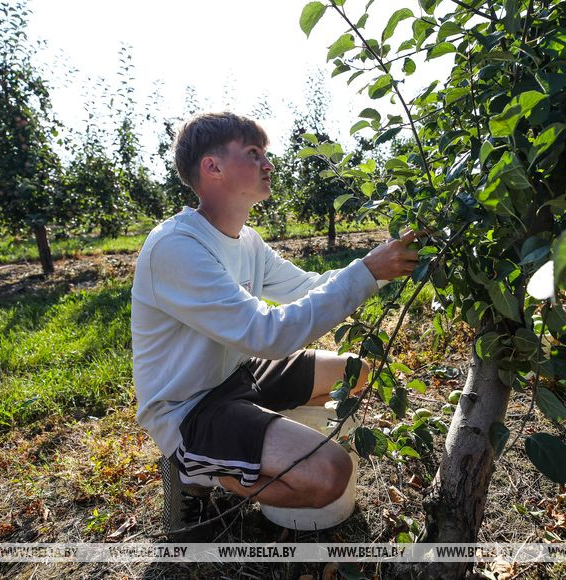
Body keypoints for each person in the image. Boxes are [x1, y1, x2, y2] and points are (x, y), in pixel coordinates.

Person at [131, 112, 418, 537]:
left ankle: (242, 451)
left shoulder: (246, 240)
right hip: (191, 405)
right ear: (213, 167)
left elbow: (306, 288)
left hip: (240, 372)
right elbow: (268, 334)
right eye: (253, 153)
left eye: (265, 153)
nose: (268, 163)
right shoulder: (176, 248)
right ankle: (194, 473)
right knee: (328, 475)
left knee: (356, 372)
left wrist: (377, 267)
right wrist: (367, 272)